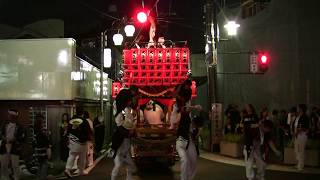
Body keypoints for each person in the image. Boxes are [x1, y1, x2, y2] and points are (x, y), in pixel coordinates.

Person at [172, 79, 202, 180]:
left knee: (193, 160)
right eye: (187, 86)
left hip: (188, 139)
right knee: (185, 160)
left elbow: (186, 109)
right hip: (180, 140)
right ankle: (184, 178)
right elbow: (176, 96)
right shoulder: (177, 111)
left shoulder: (187, 112)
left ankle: (189, 178)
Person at [110, 88, 137, 180]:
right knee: (119, 164)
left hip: (125, 140)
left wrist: (132, 130)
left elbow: (130, 124)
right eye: (129, 99)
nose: (131, 101)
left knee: (127, 162)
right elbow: (120, 126)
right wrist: (129, 132)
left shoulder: (128, 110)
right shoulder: (120, 112)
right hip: (120, 141)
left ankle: (129, 178)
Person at [64, 108, 92, 177]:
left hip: (72, 140)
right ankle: (81, 170)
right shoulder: (84, 121)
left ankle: (67, 169)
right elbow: (88, 131)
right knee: (82, 157)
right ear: (82, 113)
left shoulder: (71, 120)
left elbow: (68, 130)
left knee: (72, 155)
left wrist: (67, 138)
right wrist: (89, 138)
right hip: (81, 142)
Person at [0, 109, 25, 180]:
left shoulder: (20, 126)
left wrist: (15, 139)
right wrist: (3, 137)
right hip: (4, 146)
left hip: (14, 147)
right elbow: (1, 133)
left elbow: (22, 137)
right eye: (9, 115)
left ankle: (16, 178)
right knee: (4, 165)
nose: (9, 117)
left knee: (15, 165)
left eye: (10, 115)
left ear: (14, 117)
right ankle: (4, 178)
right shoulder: (4, 124)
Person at [33, 114, 52, 180]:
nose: (44, 123)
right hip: (43, 151)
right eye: (43, 122)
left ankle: (38, 178)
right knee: (44, 165)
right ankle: (42, 178)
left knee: (40, 165)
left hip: (38, 151)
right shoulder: (41, 132)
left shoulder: (36, 130)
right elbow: (45, 142)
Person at [293, 104, 310, 171]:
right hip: (297, 135)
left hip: (302, 135)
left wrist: (298, 130)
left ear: (301, 109)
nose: (297, 109)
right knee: (296, 150)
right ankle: (299, 163)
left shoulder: (305, 117)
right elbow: (295, 125)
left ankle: (301, 165)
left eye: (298, 108)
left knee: (301, 150)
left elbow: (306, 127)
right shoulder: (298, 116)